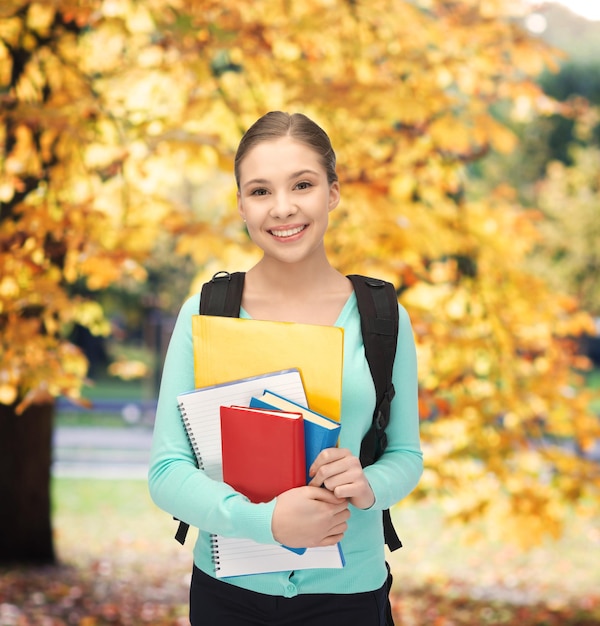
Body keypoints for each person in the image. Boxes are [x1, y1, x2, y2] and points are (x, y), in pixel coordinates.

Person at [148, 111, 423, 625]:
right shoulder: (205, 313)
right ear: (240, 205)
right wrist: (264, 521)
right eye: (260, 191)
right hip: (227, 594)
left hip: (349, 596)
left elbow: (406, 454)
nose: (283, 208)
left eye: (302, 184)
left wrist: (369, 484)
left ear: (333, 192)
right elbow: (166, 473)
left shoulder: (383, 318)